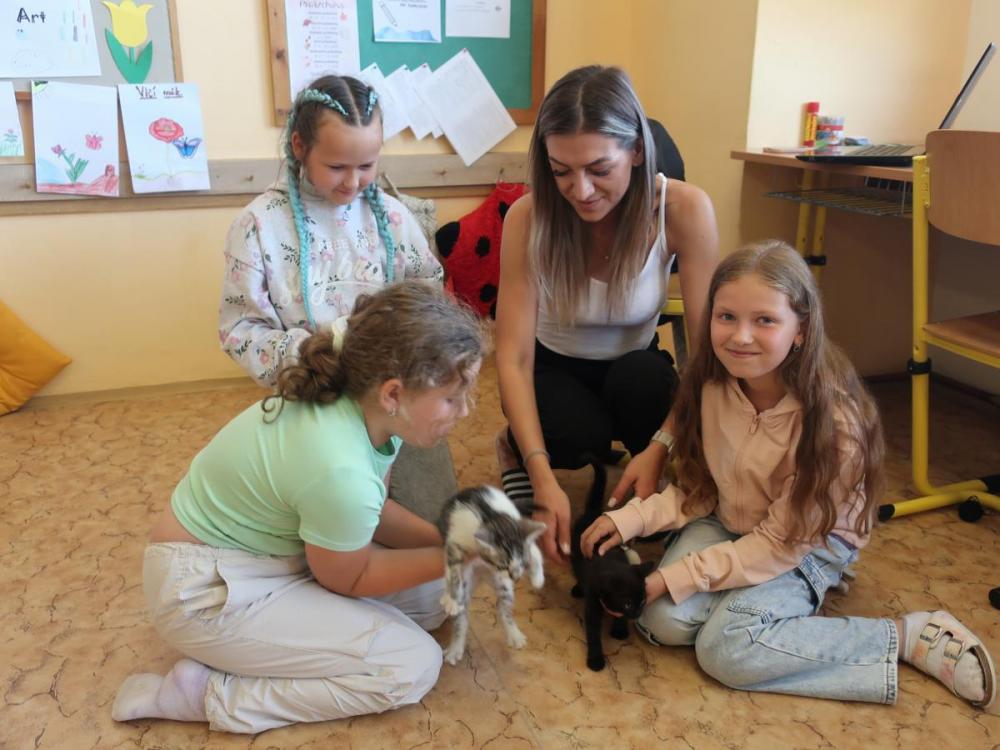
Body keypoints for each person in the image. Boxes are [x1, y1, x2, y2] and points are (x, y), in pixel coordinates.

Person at [581, 241, 996, 709]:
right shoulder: (713, 386)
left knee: (726, 650)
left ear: (801, 329)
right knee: (659, 621)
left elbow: (780, 543)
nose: (741, 337)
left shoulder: (834, 425)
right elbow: (701, 490)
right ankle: (755, 607)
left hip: (804, 545)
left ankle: (908, 636)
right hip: (729, 521)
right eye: (726, 316)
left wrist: (675, 577)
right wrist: (632, 519)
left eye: (765, 320)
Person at [112, 282, 488, 733]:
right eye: (451, 398)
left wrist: (448, 541)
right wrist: (454, 555)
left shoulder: (368, 410)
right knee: (411, 664)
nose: (465, 411)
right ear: (393, 394)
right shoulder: (340, 467)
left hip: (268, 558)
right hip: (201, 591)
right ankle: (202, 693)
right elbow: (348, 577)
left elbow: (373, 513)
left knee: (436, 597)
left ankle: (272, 649)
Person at [495, 65, 720, 563]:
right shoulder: (528, 217)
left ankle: (639, 455)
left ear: (636, 151)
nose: (581, 190)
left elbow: (709, 354)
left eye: (599, 169)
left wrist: (660, 446)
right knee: (577, 438)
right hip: (554, 367)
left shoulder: (684, 209)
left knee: (648, 386)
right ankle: (514, 447)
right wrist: (542, 475)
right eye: (561, 171)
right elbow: (512, 358)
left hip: (633, 362)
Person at [217, 74, 453, 519]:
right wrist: (310, 355)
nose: (353, 182)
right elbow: (240, 329)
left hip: (395, 399)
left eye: (367, 166)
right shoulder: (258, 226)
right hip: (312, 399)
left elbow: (428, 296)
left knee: (425, 518)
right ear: (300, 146)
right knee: (336, 518)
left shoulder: (395, 218)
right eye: (338, 167)